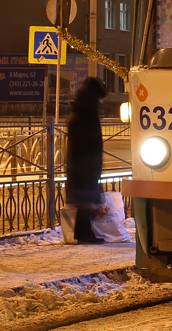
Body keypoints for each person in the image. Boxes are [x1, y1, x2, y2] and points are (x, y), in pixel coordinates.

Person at [66, 77, 106, 244]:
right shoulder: (86, 114)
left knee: (85, 200)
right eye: (99, 98)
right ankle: (83, 233)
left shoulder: (82, 110)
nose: (101, 102)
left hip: (83, 163)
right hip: (84, 164)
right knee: (85, 199)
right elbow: (87, 142)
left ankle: (83, 232)